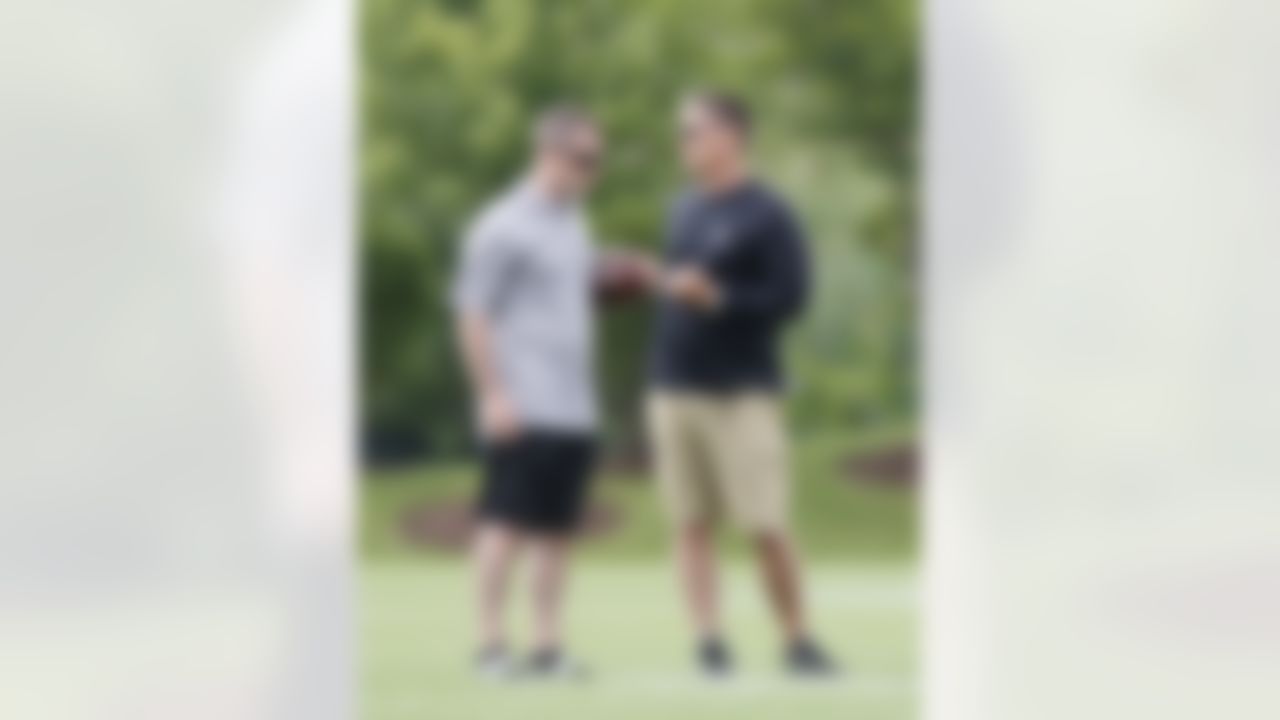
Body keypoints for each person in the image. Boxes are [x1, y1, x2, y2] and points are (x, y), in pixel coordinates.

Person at [647, 91, 840, 678]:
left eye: (694, 131)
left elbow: (793, 299)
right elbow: (678, 285)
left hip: (743, 392)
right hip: (673, 386)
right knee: (689, 522)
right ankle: (708, 641)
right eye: (682, 133)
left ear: (731, 136)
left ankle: (797, 638)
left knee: (766, 522)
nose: (685, 142)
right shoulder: (681, 210)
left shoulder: (770, 213)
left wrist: (721, 299)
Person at [451, 105, 604, 681]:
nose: (593, 170)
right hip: (522, 402)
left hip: (574, 407)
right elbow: (472, 313)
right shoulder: (502, 224)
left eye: (598, 160)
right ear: (549, 155)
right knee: (504, 523)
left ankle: (547, 647)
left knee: (558, 532)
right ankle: (491, 647)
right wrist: (492, 395)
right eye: (583, 159)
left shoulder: (575, 221)